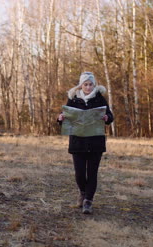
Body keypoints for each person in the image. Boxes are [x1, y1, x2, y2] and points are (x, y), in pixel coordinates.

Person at [58, 72, 114, 214]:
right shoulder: (73, 99)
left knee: (92, 173)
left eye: (90, 84)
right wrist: (61, 118)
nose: (88, 87)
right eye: (85, 84)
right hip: (78, 143)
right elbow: (66, 117)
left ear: (94, 85)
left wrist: (107, 117)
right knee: (80, 174)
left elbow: (110, 116)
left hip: (95, 143)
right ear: (81, 85)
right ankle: (82, 193)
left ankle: (88, 201)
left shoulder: (99, 99)